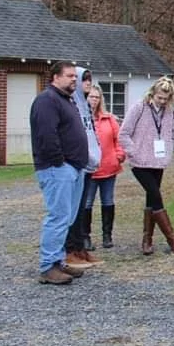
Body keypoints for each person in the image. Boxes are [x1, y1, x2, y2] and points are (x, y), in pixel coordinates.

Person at [29, 61, 90, 284]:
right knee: (58, 217)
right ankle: (48, 266)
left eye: (76, 76)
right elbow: (47, 136)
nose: (74, 79)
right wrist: (60, 163)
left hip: (73, 168)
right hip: (58, 169)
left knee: (67, 218)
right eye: (69, 76)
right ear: (55, 77)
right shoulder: (47, 100)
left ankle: (58, 260)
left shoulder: (67, 100)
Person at [121, 76, 174, 255]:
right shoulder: (138, 108)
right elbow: (124, 133)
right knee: (156, 195)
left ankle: (147, 239)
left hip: (158, 161)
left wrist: (168, 152)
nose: (162, 101)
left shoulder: (170, 111)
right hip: (140, 162)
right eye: (159, 98)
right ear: (152, 94)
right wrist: (134, 151)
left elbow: (172, 133)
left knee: (151, 198)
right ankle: (172, 239)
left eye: (165, 99)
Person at [63, 68, 102, 268]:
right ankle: (70, 250)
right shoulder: (72, 105)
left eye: (89, 80)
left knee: (82, 208)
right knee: (74, 210)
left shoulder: (86, 106)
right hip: (76, 163)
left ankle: (80, 248)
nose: (87, 83)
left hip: (89, 165)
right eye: (84, 80)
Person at [85, 84, 125, 249]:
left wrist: (119, 156)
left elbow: (120, 139)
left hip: (109, 168)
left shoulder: (109, 119)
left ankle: (107, 236)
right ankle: (85, 236)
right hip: (89, 169)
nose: (94, 100)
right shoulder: (82, 118)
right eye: (91, 96)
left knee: (108, 201)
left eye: (97, 97)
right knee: (87, 203)